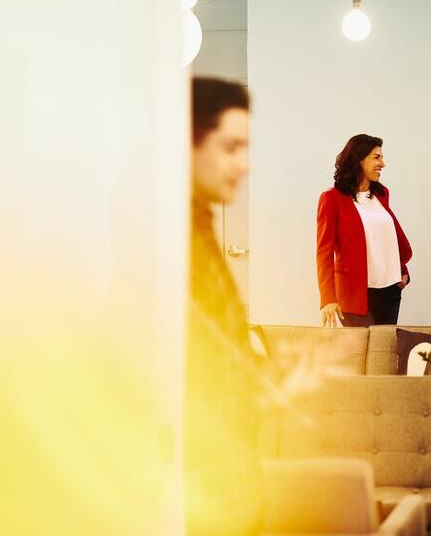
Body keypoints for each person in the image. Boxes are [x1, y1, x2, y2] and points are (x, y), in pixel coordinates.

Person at [186, 77, 263, 535]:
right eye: (230, 147)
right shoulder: (169, 239)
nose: (244, 164)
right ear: (188, 143)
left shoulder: (198, 229)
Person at [316, 134, 412, 327]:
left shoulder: (381, 194)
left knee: (384, 352)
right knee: (362, 351)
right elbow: (323, 252)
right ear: (358, 159)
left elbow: (385, 239)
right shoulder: (332, 199)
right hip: (354, 293)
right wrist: (328, 298)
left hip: (391, 290)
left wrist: (402, 270)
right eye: (377, 157)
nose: (382, 163)